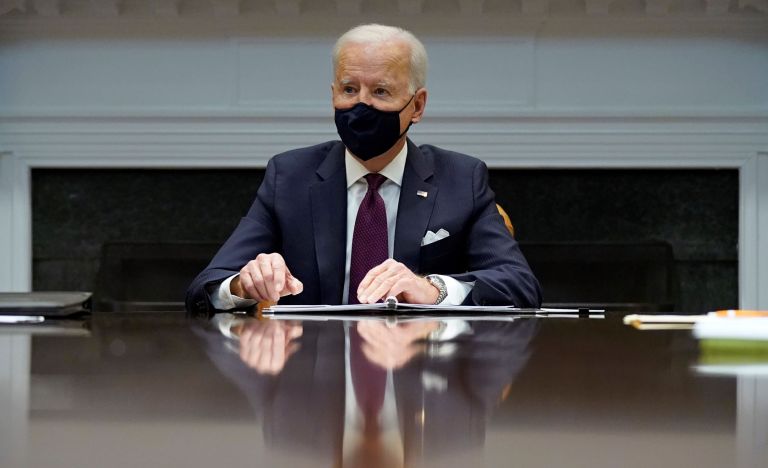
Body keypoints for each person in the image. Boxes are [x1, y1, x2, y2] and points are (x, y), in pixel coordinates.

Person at [186, 24, 541, 315]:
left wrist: (432, 289)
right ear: (333, 95)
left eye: (381, 91)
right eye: (349, 89)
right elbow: (206, 287)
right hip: (312, 369)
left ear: (417, 106)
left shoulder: (460, 179)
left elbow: (520, 285)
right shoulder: (289, 176)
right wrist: (242, 285)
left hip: (417, 367)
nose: (361, 105)